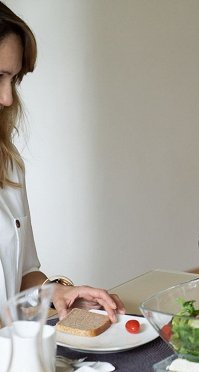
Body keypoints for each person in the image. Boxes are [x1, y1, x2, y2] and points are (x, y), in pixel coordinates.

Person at [0, 2, 124, 322]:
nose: (7, 98)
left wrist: (58, 293)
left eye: (12, 80)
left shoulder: (9, 165)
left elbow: (23, 275)